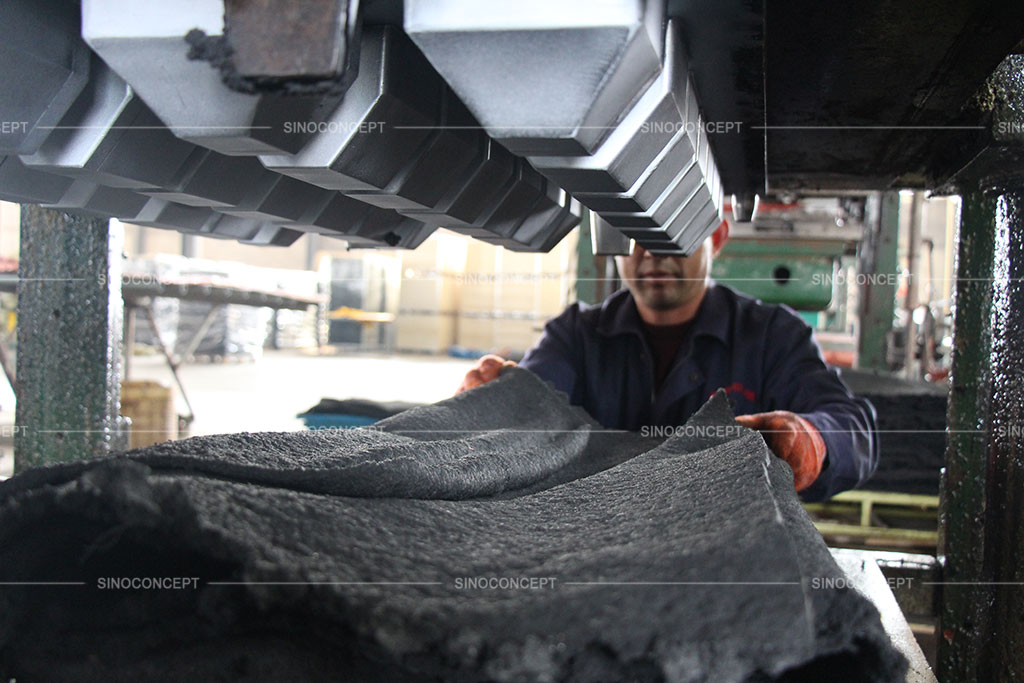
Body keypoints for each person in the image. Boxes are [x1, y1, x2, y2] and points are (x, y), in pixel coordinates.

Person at [456, 220, 877, 501]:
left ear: (717, 235)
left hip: (727, 555)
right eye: (632, 234)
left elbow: (855, 431)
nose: (652, 254)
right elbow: (535, 403)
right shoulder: (575, 336)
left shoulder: (772, 336)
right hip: (591, 545)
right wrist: (496, 405)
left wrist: (812, 440)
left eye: (672, 234)